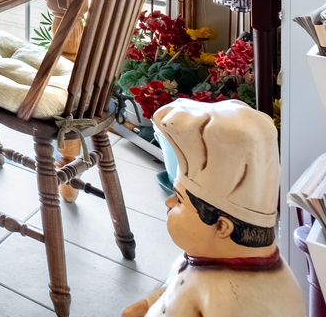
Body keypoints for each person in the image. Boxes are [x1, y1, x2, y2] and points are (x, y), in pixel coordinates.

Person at [123, 99, 304, 317]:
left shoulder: (235, 300)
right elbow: (174, 289)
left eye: (179, 200)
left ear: (222, 226)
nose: (168, 203)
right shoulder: (201, 257)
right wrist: (145, 305)